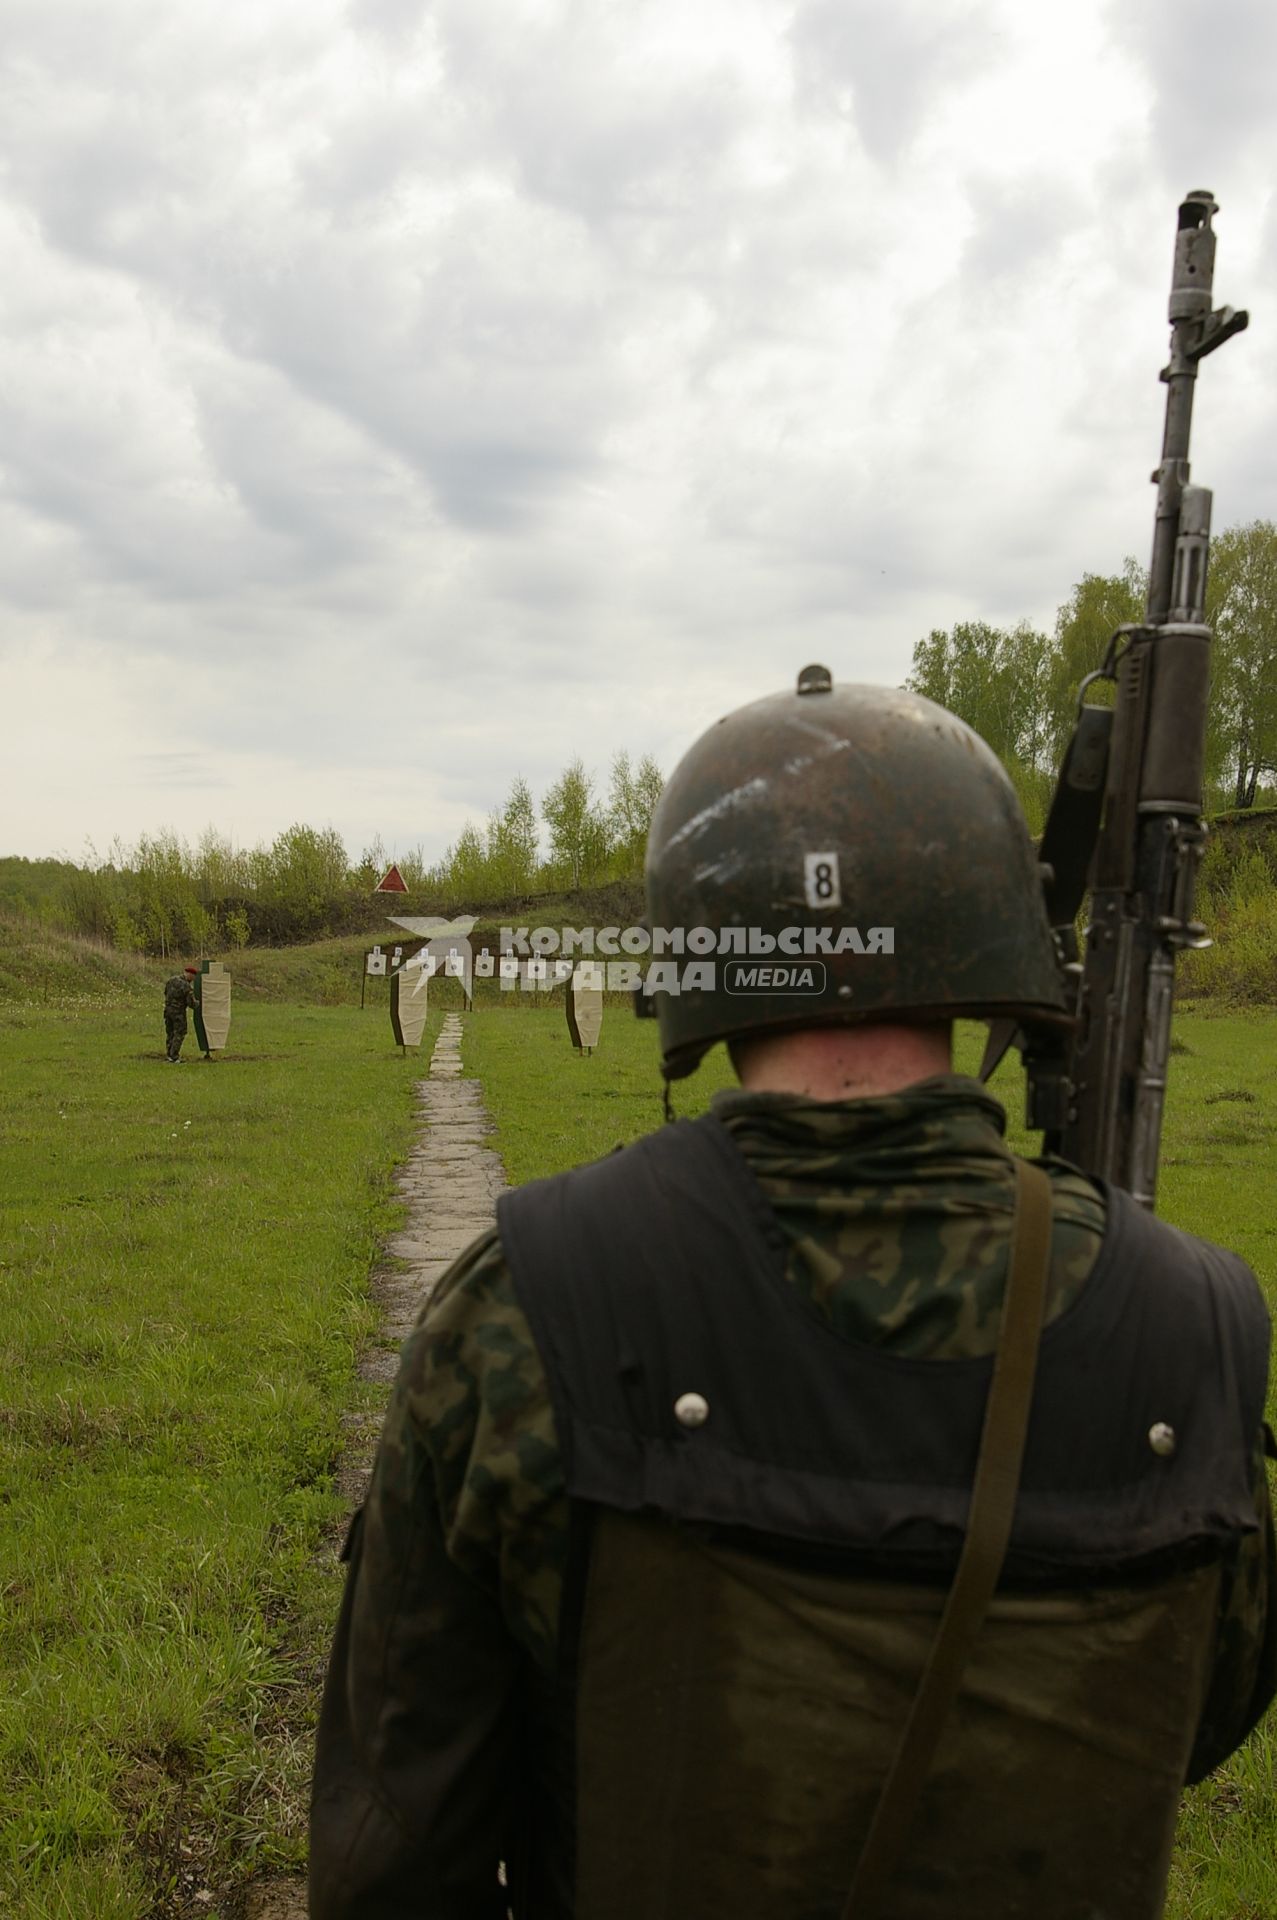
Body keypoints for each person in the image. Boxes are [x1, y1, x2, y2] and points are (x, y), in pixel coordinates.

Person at [309, 674, 1274, 1919]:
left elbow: (399, 1845)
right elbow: (1182, 1721)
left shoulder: (526, 1310)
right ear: (986, 932)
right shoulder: (1191, 1328)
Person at [163, 965, 198, 1063]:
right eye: (193, 977)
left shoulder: (171, 980)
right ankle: (174, 1056)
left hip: (168, 1011)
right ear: (190, 975)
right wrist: (198, 1004)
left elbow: (165, 993)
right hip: (178, 1013)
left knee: (170, 1033)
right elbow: (191, 1003)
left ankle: (169, 1055)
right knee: (180, 1033)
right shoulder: (186, 986)